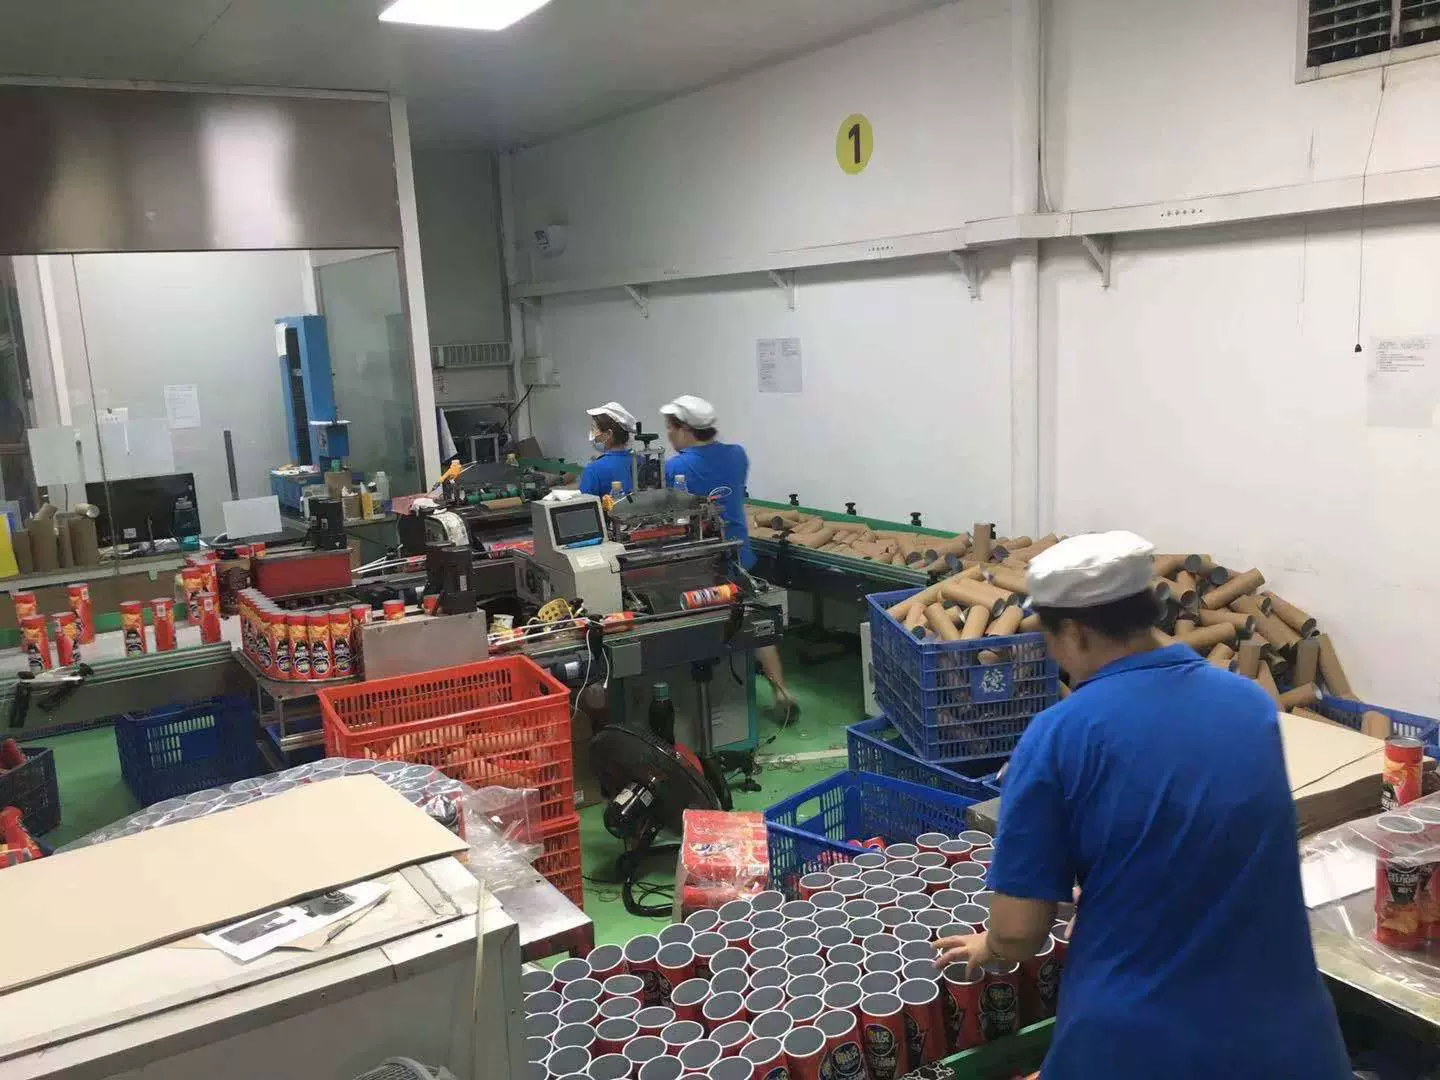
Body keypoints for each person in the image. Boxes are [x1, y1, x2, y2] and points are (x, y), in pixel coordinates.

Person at [935, 531, 1348, 1080]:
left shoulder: (1057, 736)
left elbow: (1020, 931)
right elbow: (1201, 832)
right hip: (1290, 1040)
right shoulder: (1249, 704)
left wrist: (991, 945)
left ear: (1076, 631)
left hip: (1139, 1045)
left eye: (1050, 637)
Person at [660, 395, 796, 718]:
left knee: (699, 623)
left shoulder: (676, 466)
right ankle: (782, 692)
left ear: (685, 429)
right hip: (740, 554)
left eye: (671, 429)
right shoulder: (737, 455)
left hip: (701, 562)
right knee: (755, 623)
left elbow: (672, 512)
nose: (669, 436)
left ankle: (706, 698)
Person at [578, 401, 637, 497]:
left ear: (609, 434)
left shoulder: (593, 470)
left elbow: (586, 503)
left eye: (594, 429)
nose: (593, 435)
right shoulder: (641, 461)